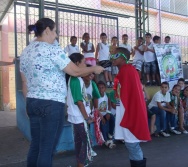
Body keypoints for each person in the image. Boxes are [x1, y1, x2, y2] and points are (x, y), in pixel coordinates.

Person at [19, 18, 103, 167]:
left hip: (32, 102)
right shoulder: (52, 50)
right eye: (55, 31)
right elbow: (75, 70)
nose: (56, 35)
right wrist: (93, 69)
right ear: (47, 30)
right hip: (51, 104)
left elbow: (24, 83)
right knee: (47, 149)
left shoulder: (26, 51)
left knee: (36, 145)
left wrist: (28, 104)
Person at [111, 47, 151, 167]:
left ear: (123, 58)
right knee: (131, 144)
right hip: (126, 112)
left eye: (115, 55)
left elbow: (131, 97)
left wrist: (127, 115)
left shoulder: (127, 70)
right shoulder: (125, 70)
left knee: (132, 143)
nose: (112, 58)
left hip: (129, 113)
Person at [67, 53, 95, 167]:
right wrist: (87, 117)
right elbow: (79, 101)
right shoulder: (75, 79)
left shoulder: (76, 78)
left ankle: (80, 163)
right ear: (77, 63)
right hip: (79, 117)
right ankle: (81, 164)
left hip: (77, 116)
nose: (85, 64)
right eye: (83, 62)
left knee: (79, 142)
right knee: (86, 143)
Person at [97, 80, 116, 149]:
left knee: (112, 118)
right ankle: (105, 140)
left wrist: (108, 112)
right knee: (102, 123)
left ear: (105, 88)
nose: (101, 89)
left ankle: (110, 134)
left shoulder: (107, 95)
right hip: (99, 115)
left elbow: (109, 105)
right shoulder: (96, 97)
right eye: (99, 88)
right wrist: (101, 117)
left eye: (102, 88)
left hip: (105, 113)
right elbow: (96, 108)